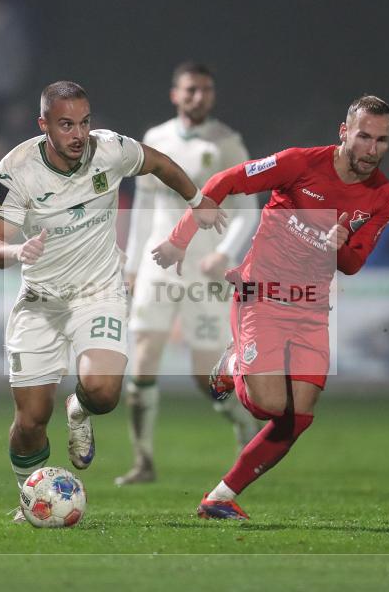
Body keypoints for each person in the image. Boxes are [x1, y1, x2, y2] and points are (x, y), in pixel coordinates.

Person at [0, 81, 224, 522]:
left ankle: (80, 407)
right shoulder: (18, 168)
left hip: (98, 293)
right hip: (40, 300)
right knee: (31, 420)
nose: (78, 134)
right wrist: (17, 251)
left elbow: (160, 163)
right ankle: (30, 495)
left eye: (85, 122)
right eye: (66, 124)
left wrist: (196, 198)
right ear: (44, 125)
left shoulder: (110, 150)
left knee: (104, 392)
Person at [152, 95, 389, 519]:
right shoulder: (299, 164)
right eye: (364, 137)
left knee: (297, 416)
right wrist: (181, 237)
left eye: (382, 140)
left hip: (310, 308)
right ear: (344, 133)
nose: (372, 149)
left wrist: (338, 249)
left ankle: (220, 498)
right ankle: (231, 367)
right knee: (267, 404)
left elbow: (354, 264)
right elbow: (226, 180)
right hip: (260, 294)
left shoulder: (383, 197)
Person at [116, 62, 261, 486]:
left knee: (206, 374)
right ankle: (143, 461)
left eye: (206, 90)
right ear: (175, 94)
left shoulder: (227, 143)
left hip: (204, 270)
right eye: (191, 90)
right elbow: (144, 208)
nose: (199, 97)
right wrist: (132, 266)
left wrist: (226, 254)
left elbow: (246, 209)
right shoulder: (155, 140)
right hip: (159, 263)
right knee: (143, 352)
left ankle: (244, 426)